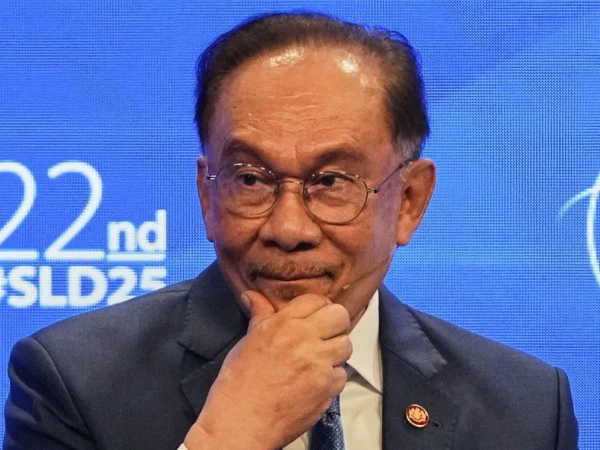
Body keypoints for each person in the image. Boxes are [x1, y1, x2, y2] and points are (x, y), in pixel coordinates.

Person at [3, 12, 578, 450]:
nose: (288, 228)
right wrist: (230, 436)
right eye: (251, 179)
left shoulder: (526, 410)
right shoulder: (73, 383)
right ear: (207, 195)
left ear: (409, 200)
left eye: (331, 181)